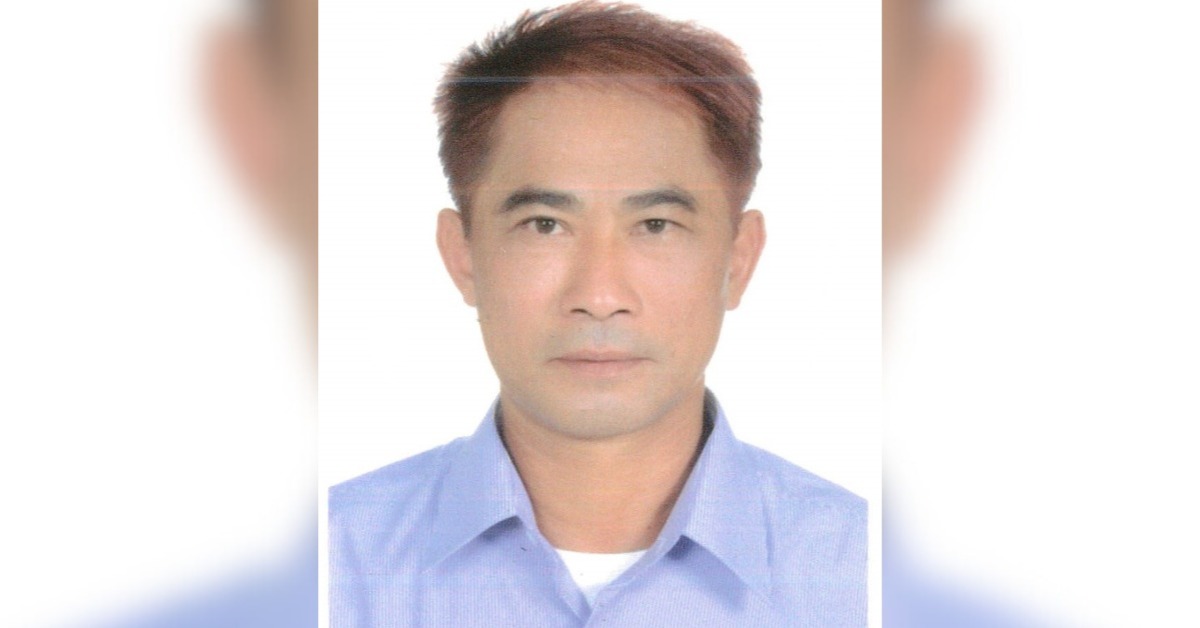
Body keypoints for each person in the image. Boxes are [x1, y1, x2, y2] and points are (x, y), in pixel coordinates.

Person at [329, 2, 867, 626]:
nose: (600, 294)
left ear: (738, 260)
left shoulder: (866, 573)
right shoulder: (330, 564)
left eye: (655, 225)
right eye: (545, 224)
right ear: (463, 256)